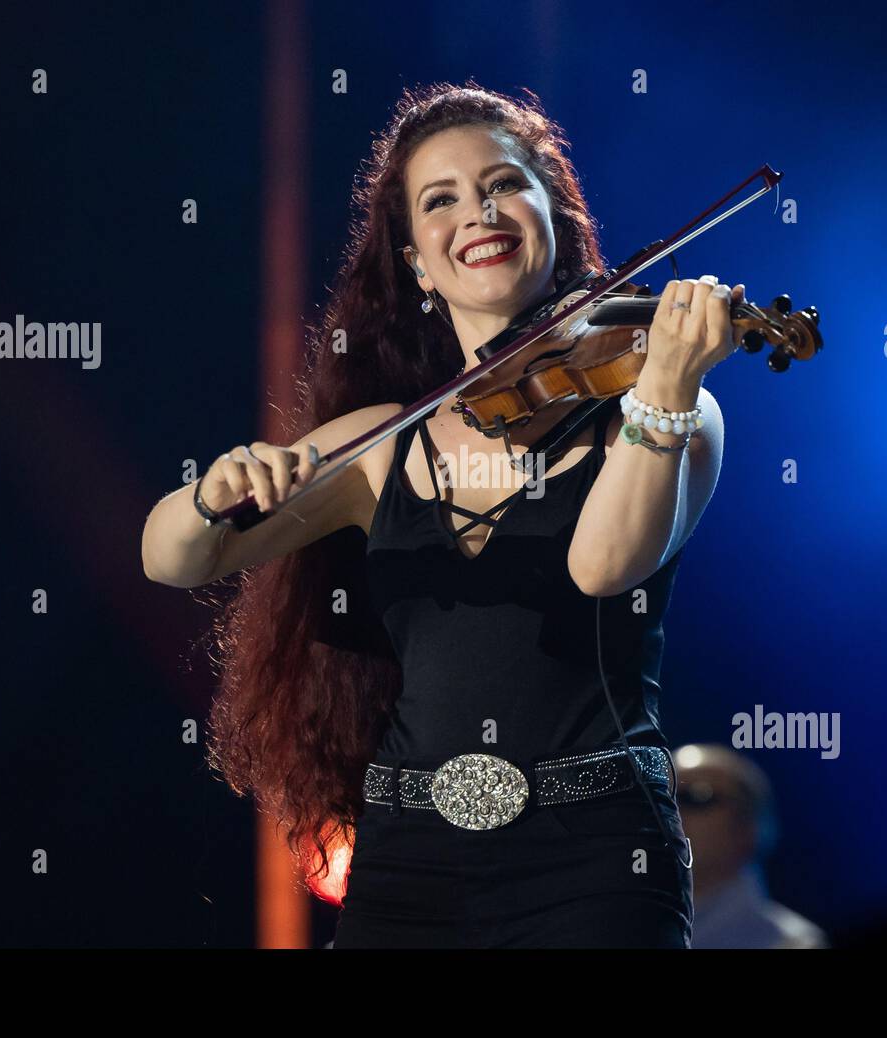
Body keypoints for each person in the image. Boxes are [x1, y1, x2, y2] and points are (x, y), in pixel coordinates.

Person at [141, 80, 744, 948]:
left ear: (554, 215)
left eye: (503, 184)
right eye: (441, 200)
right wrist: (214, 492)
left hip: (599, 852)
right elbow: (175, 557)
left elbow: (604, 564)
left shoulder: (660, 408)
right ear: (418, 263)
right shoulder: (384, 442)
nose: (478, 213)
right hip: (410, 855)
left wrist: (668, 385)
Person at [672, 744, 829, 948]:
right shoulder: (628, 927)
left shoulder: (793, 944)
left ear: (749, 827)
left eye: (695, 796)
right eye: (662, 797)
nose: (670, 810)